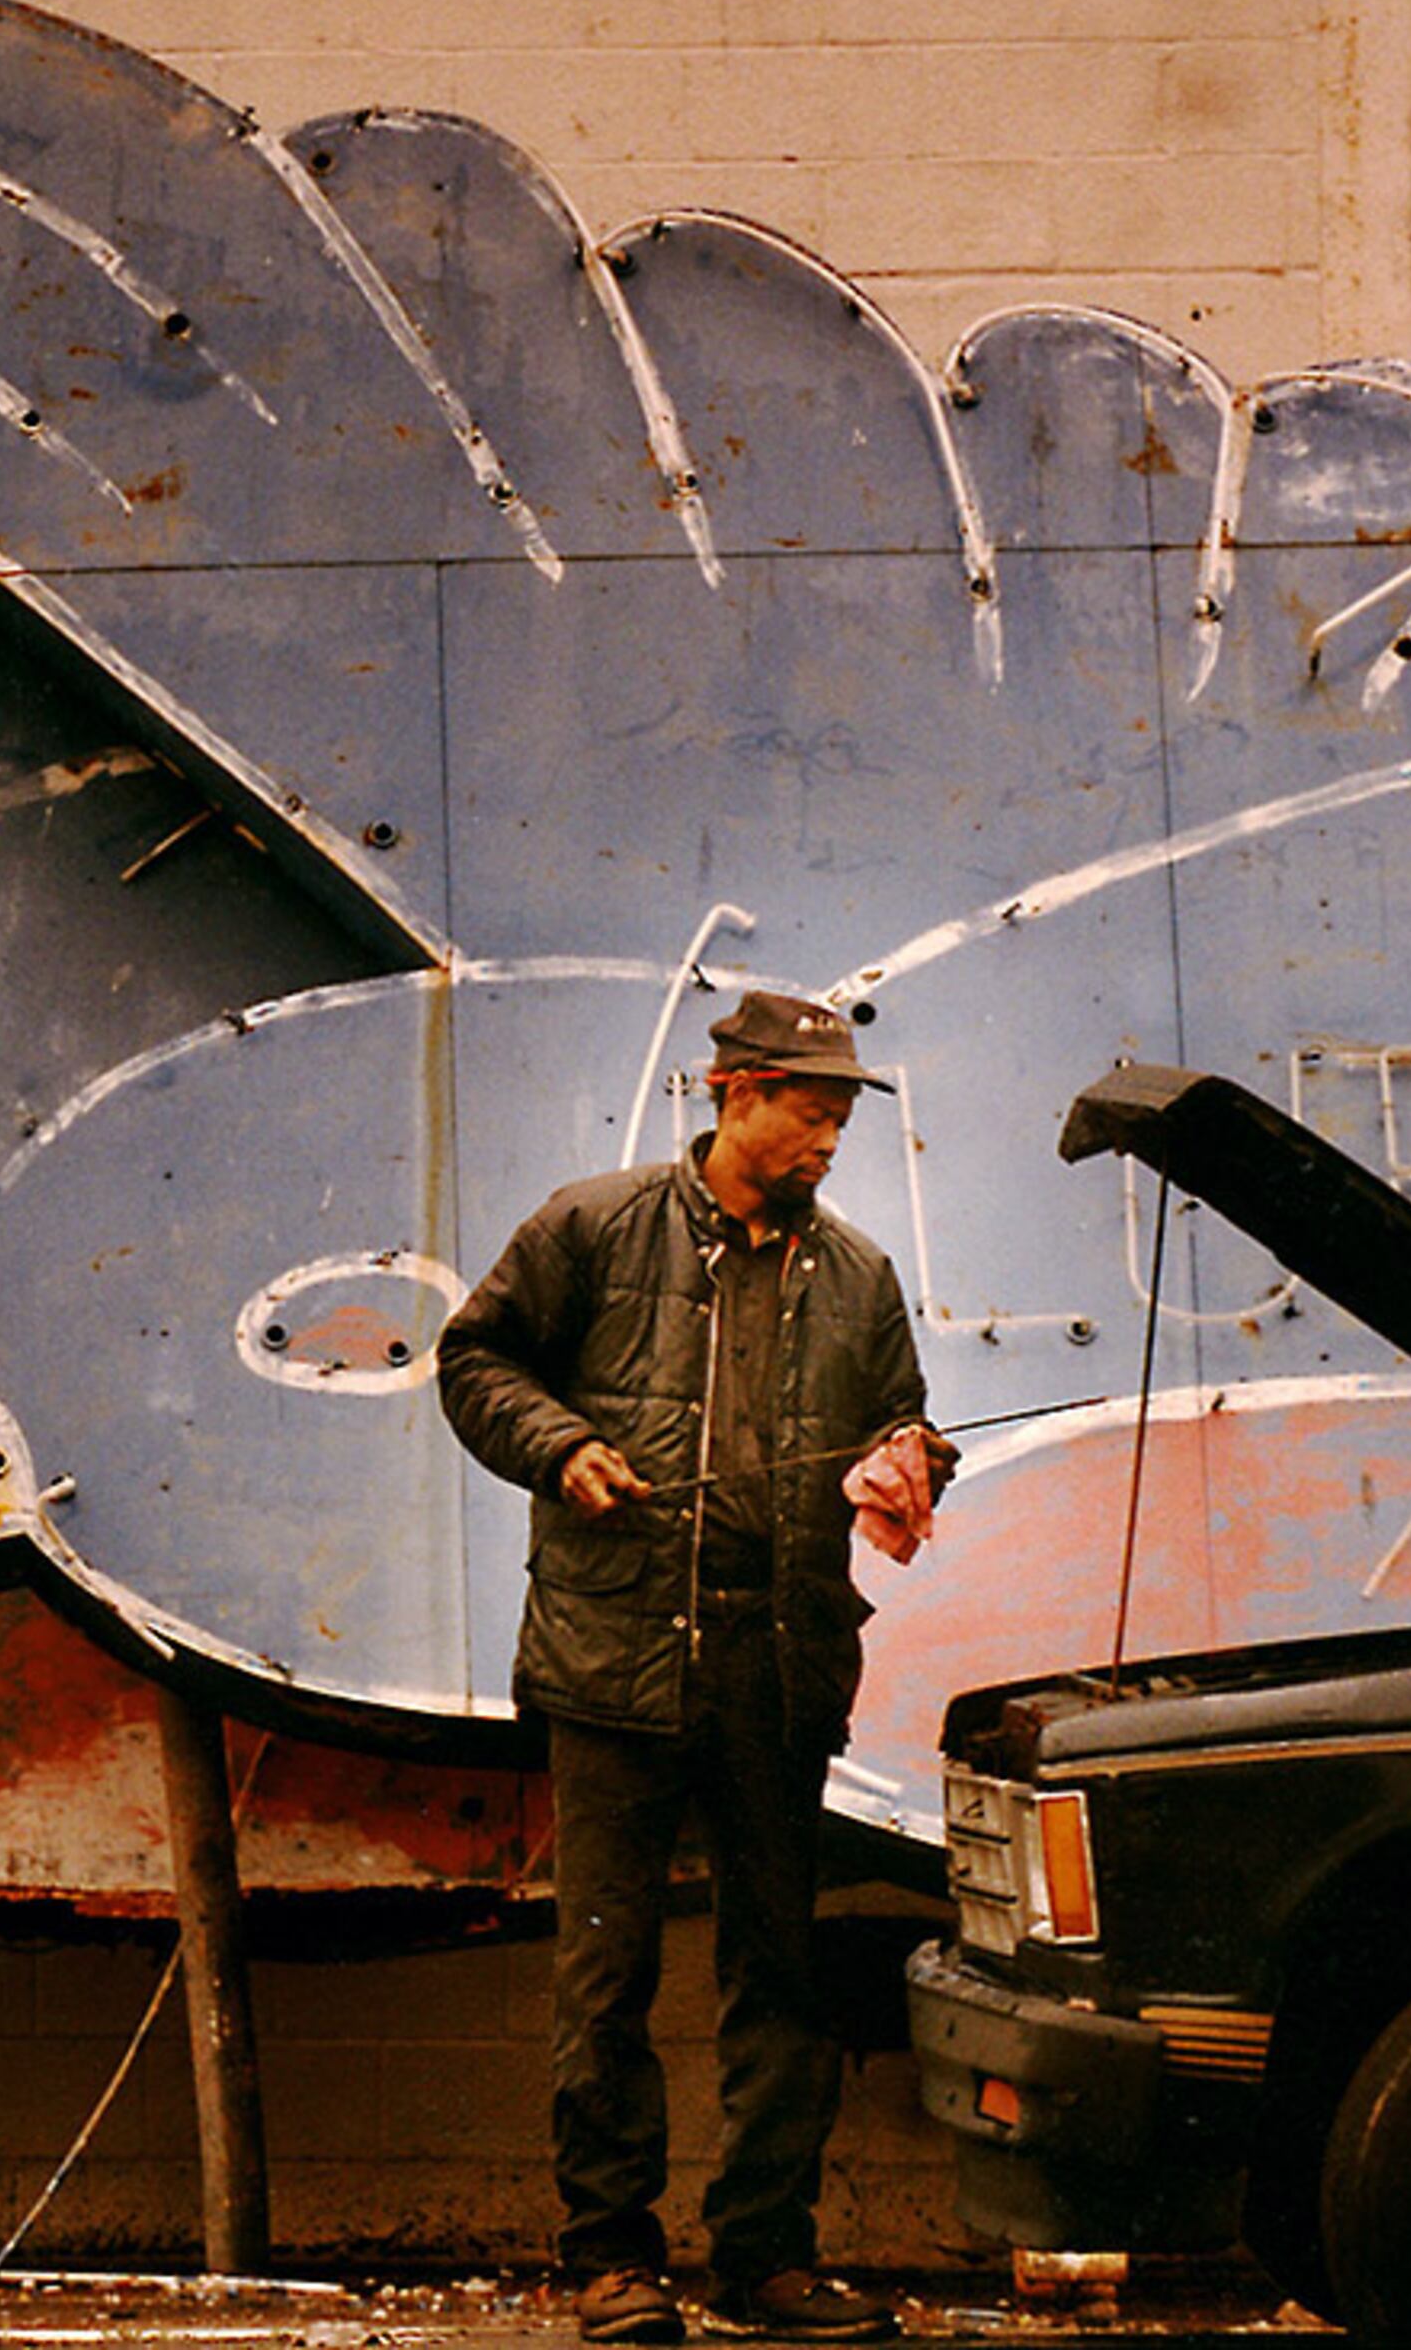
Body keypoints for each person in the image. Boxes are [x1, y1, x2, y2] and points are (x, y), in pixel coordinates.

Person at [435, 990, 952, 2346]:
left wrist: (911, 1460)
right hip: (609, 1658)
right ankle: (612, 2259)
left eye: (842, 1116)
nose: (831, 1138)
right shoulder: (593, 1227)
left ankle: (765, 2259)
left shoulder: (858, 1276)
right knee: (603, 1977)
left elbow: (904, 1418)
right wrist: (560, 1447)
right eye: (812, 1110)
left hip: (779, 1667)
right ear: (733, 1092)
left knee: (780, 1974)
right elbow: (473, 1358)